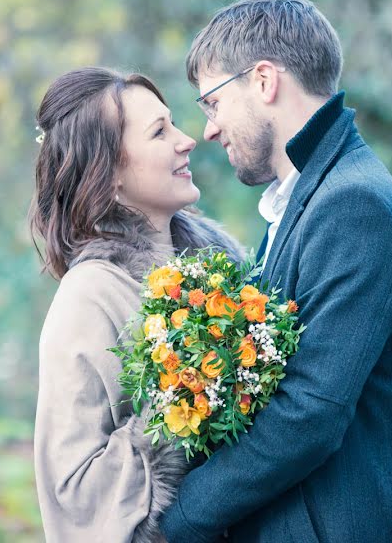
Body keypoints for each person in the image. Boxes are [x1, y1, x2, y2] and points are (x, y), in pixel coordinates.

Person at [159, 0, 392, 542]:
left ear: (264, 81)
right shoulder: (312, 196)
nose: (208, 129)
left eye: (212, 101)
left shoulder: (354, 206)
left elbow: (308, 415)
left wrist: (178, 520)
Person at [29, 67, 243, 543]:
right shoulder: (88, 300)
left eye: (174, 124)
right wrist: (184, 397)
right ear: (110, 176)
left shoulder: (223, 274)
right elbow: (76, 494)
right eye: (159, 132)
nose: (187, 140)